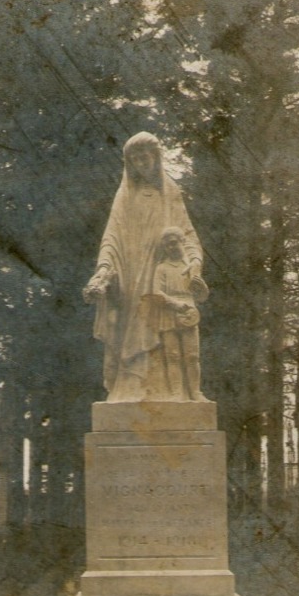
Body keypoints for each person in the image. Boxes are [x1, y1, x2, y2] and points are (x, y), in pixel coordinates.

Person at [83, 132, 207, 402]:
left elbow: (186, 233)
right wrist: (104, 269)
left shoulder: (170, 192)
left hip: (163, 274)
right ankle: (130, 389)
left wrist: (194, 263)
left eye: (145, 156)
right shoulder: (126, 194)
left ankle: (173, 393)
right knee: (132, 327)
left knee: (169, 341)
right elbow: (112, 236)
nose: (141, 163)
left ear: (156, 157)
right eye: (135, 159)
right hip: (131, 274)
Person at [151, 227, 209, 401]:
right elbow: (156, 292)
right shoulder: (161, 268)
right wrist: (175, 304)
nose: (171, 248)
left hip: (189, 312)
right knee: (173, 355)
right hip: (169, 312)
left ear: (181, 242)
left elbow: (201, 295)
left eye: (174, 243)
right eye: (167, 245)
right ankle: (176, 393)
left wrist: (202, 288)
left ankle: (196, 392)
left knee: (192, 355)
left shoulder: (190, 266)